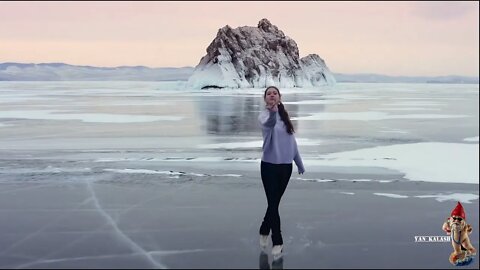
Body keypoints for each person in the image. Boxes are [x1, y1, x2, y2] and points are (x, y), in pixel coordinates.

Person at [258, 86, 305, 259]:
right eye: (269, 94)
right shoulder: (264, 116)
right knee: (272, 203)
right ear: (265, 98)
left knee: (274, 203)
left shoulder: (285, 118)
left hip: (286, 167)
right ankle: (277, 240)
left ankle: (264, 228)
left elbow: (292, 144)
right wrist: (272, 112)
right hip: (269, 166)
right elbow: (269, 124)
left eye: (274, 93)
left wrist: (299, 163)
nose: (272, 95)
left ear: (279, 97)